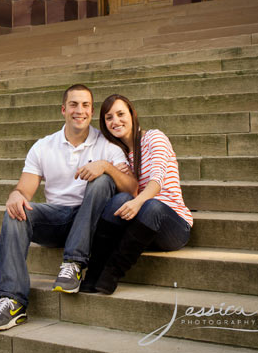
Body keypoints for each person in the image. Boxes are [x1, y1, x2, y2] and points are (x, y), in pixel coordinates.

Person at [0, 84, 137, 331]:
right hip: (59, 220)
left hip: (93, 221)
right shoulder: (43, 146)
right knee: (15, 213)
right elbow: (25, 189)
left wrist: (106, 167)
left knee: (104, 179)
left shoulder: (107, 145)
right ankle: (11, 301)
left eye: (85, 105)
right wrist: (15, 195)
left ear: (92, 110)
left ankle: (73, 264)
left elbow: (132, 188)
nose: (80, 110)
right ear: (63, 110)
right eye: (74, 105)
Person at [79, 94, 192, 294]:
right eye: (109, 117)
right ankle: (94, 272)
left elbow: (157, 180)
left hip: (173, 227)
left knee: (151, 205)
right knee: (120, 199)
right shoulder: (118, 154)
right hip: (141, 228)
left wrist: (138, 202)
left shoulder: (154, 138)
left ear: (132, 114)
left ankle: (112, 273)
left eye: (121, 114)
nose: (116, 121)